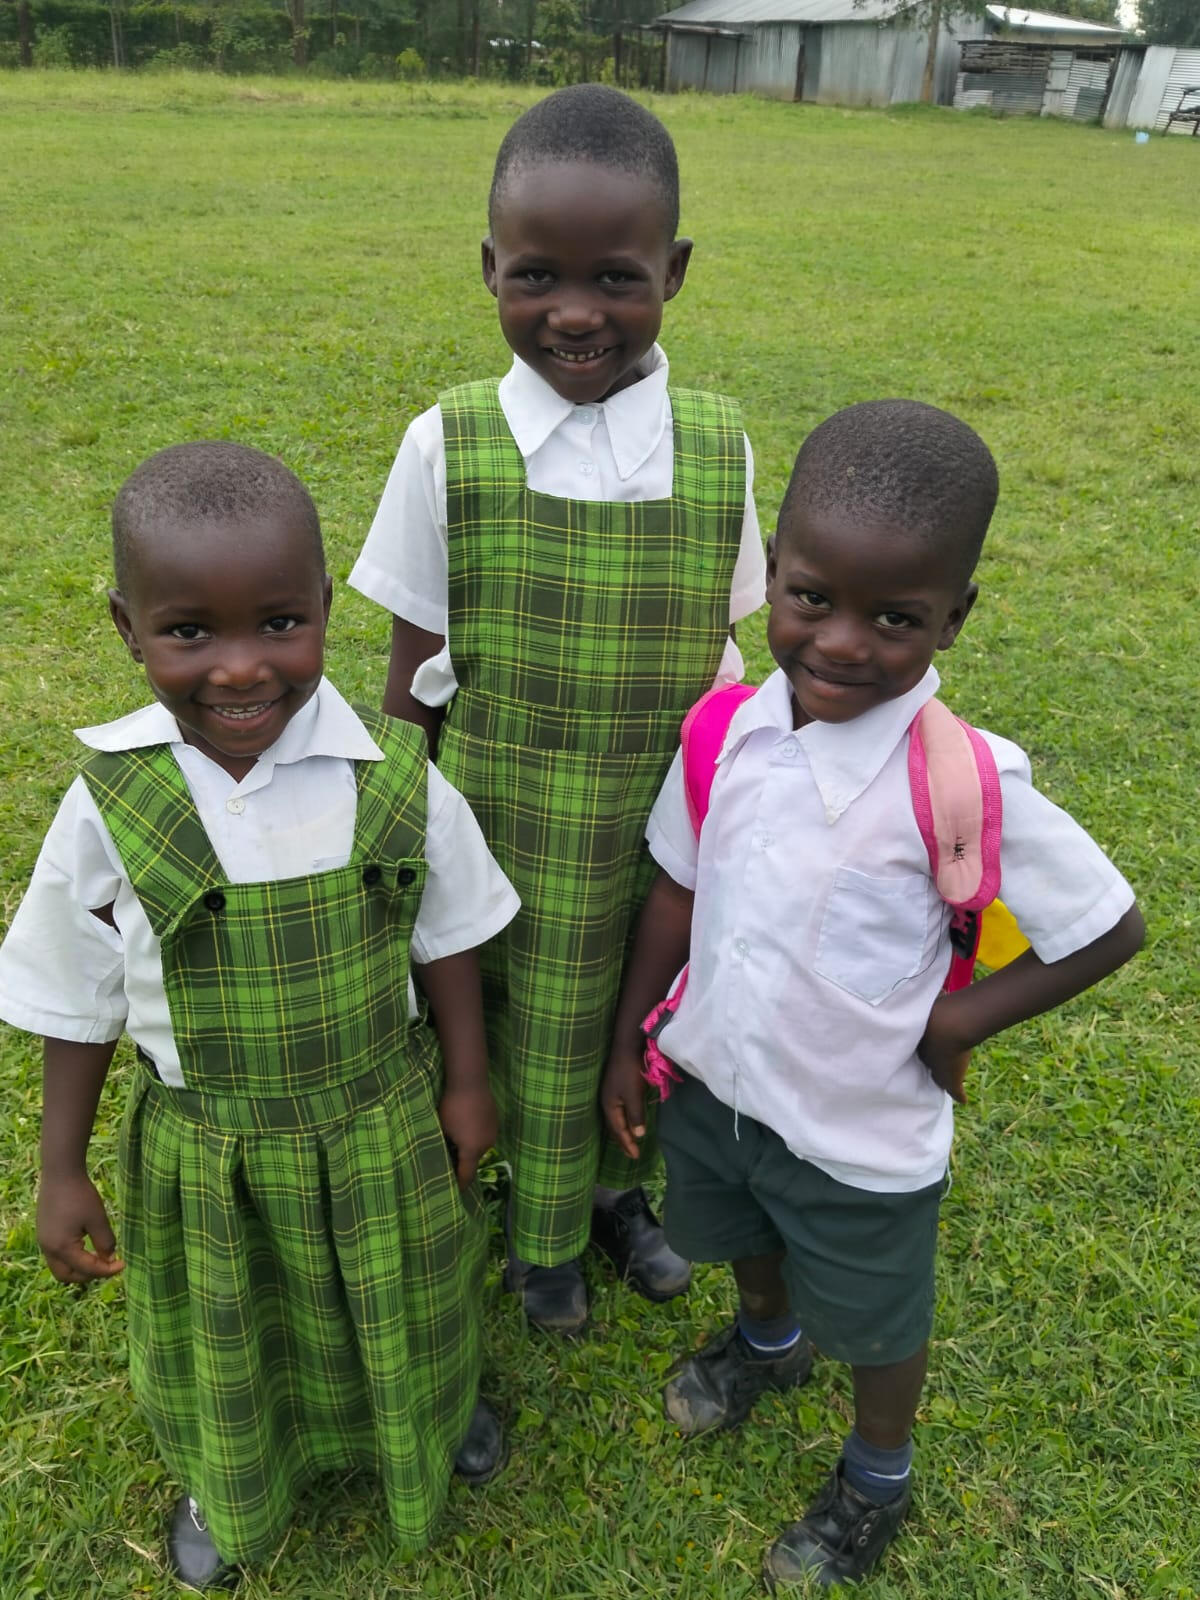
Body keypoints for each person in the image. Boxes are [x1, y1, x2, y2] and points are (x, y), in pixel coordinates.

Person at [601, 400, 1144, 1588]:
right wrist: (630, 1041)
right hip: (718, 1081)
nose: (843, 643)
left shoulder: (963, 781)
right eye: (812, 598)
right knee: (741, 1236)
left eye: (895, 617)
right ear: (773, 574)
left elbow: (1110, 925)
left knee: (880, 1318)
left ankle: (875, 1476)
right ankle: (767, 1341)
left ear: (956, 616)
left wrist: (959, 1017)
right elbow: (677, 890)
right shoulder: (726, 735)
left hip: (861, 1132)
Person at [0, 443, 520, 1590]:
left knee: (414, 1292)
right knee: (229, 1330)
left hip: (382, 1126)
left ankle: (435, 1415)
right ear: (127, 627)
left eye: (280, 623)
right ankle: (227, 1481)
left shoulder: (393, 773)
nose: (241, 669)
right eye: (189, 632)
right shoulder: (108, 807)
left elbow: (448, 934)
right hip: (210, 1152)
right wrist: (60, 1167)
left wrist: (468, 1081)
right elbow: (75, 998)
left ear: (326, 608)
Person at [350, 84, 766, 1337]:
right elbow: (410, 674)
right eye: (536, 276)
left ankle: (613, 1192)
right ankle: (540, 1236)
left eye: (617, 278)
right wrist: (396, 837)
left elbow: (733, 659)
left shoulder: (719, 444)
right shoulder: (446, 443)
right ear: (489, 267)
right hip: (499, 818)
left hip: (658, 827)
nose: (575, 313)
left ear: (674, 272)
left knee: (640, 1012)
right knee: (522, 1014)